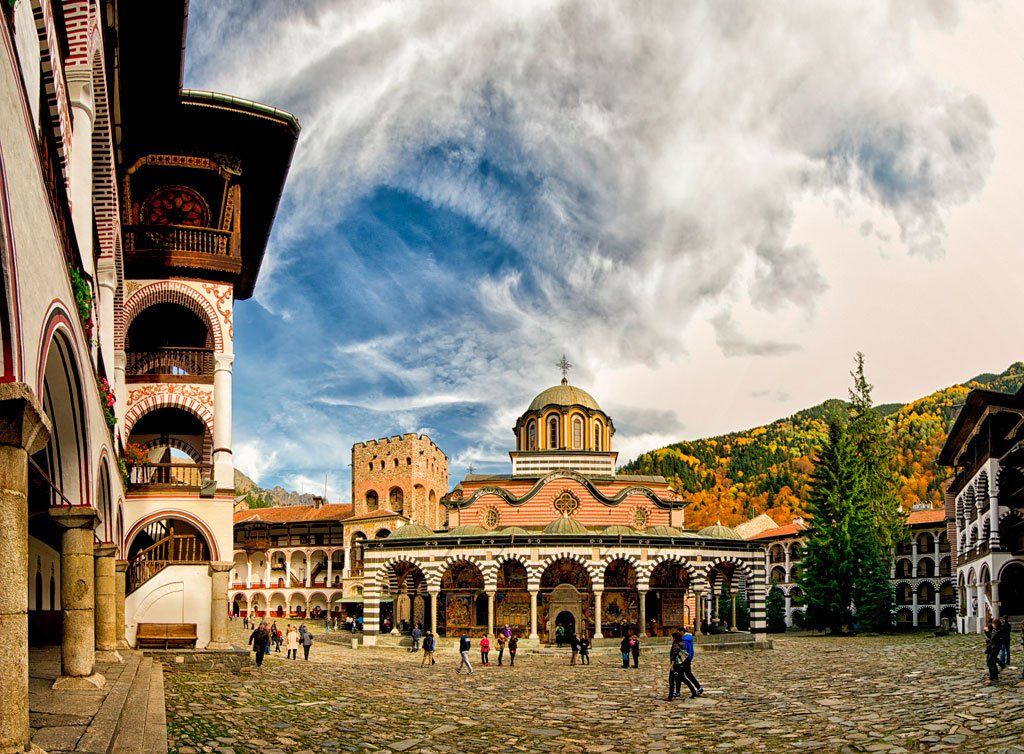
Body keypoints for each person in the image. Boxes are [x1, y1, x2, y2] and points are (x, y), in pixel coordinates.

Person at [680, 626, 704, 698]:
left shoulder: (685, 640)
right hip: (687, 659)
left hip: (685, 660)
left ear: (682, 632)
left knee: (684, 675)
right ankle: (677, 691)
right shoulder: (688, 639)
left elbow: (685, 651)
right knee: (682, 675)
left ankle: (698, 688)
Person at [667, 631, 684, 700]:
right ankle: (693, 691)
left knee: (671, 680)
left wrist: (672, 665)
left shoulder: (675, 645)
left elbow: (674, 656)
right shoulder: (681, 643)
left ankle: (670, 696)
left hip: (675, 665)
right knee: (682, 678)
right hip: (680, 664)